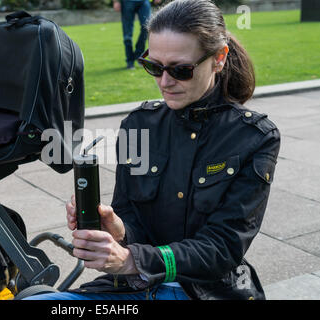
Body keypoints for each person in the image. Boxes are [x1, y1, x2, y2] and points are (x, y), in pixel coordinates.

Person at [24, 0, 280, 300]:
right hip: (133, 288)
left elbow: (222, 249)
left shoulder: (253, 137)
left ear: (219, 58)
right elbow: (133, 221)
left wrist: (132, 260)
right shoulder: (139, 125)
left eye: (181, 70)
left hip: (207, 292)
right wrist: (117, 228)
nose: (165, 82)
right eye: (154, 66)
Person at [113, 0, 162, 69]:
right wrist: (116, 1)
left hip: (143, 2)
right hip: (127, 2)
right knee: (127, 36)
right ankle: (130, 62)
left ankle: (138, 54)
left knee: (147, 27)